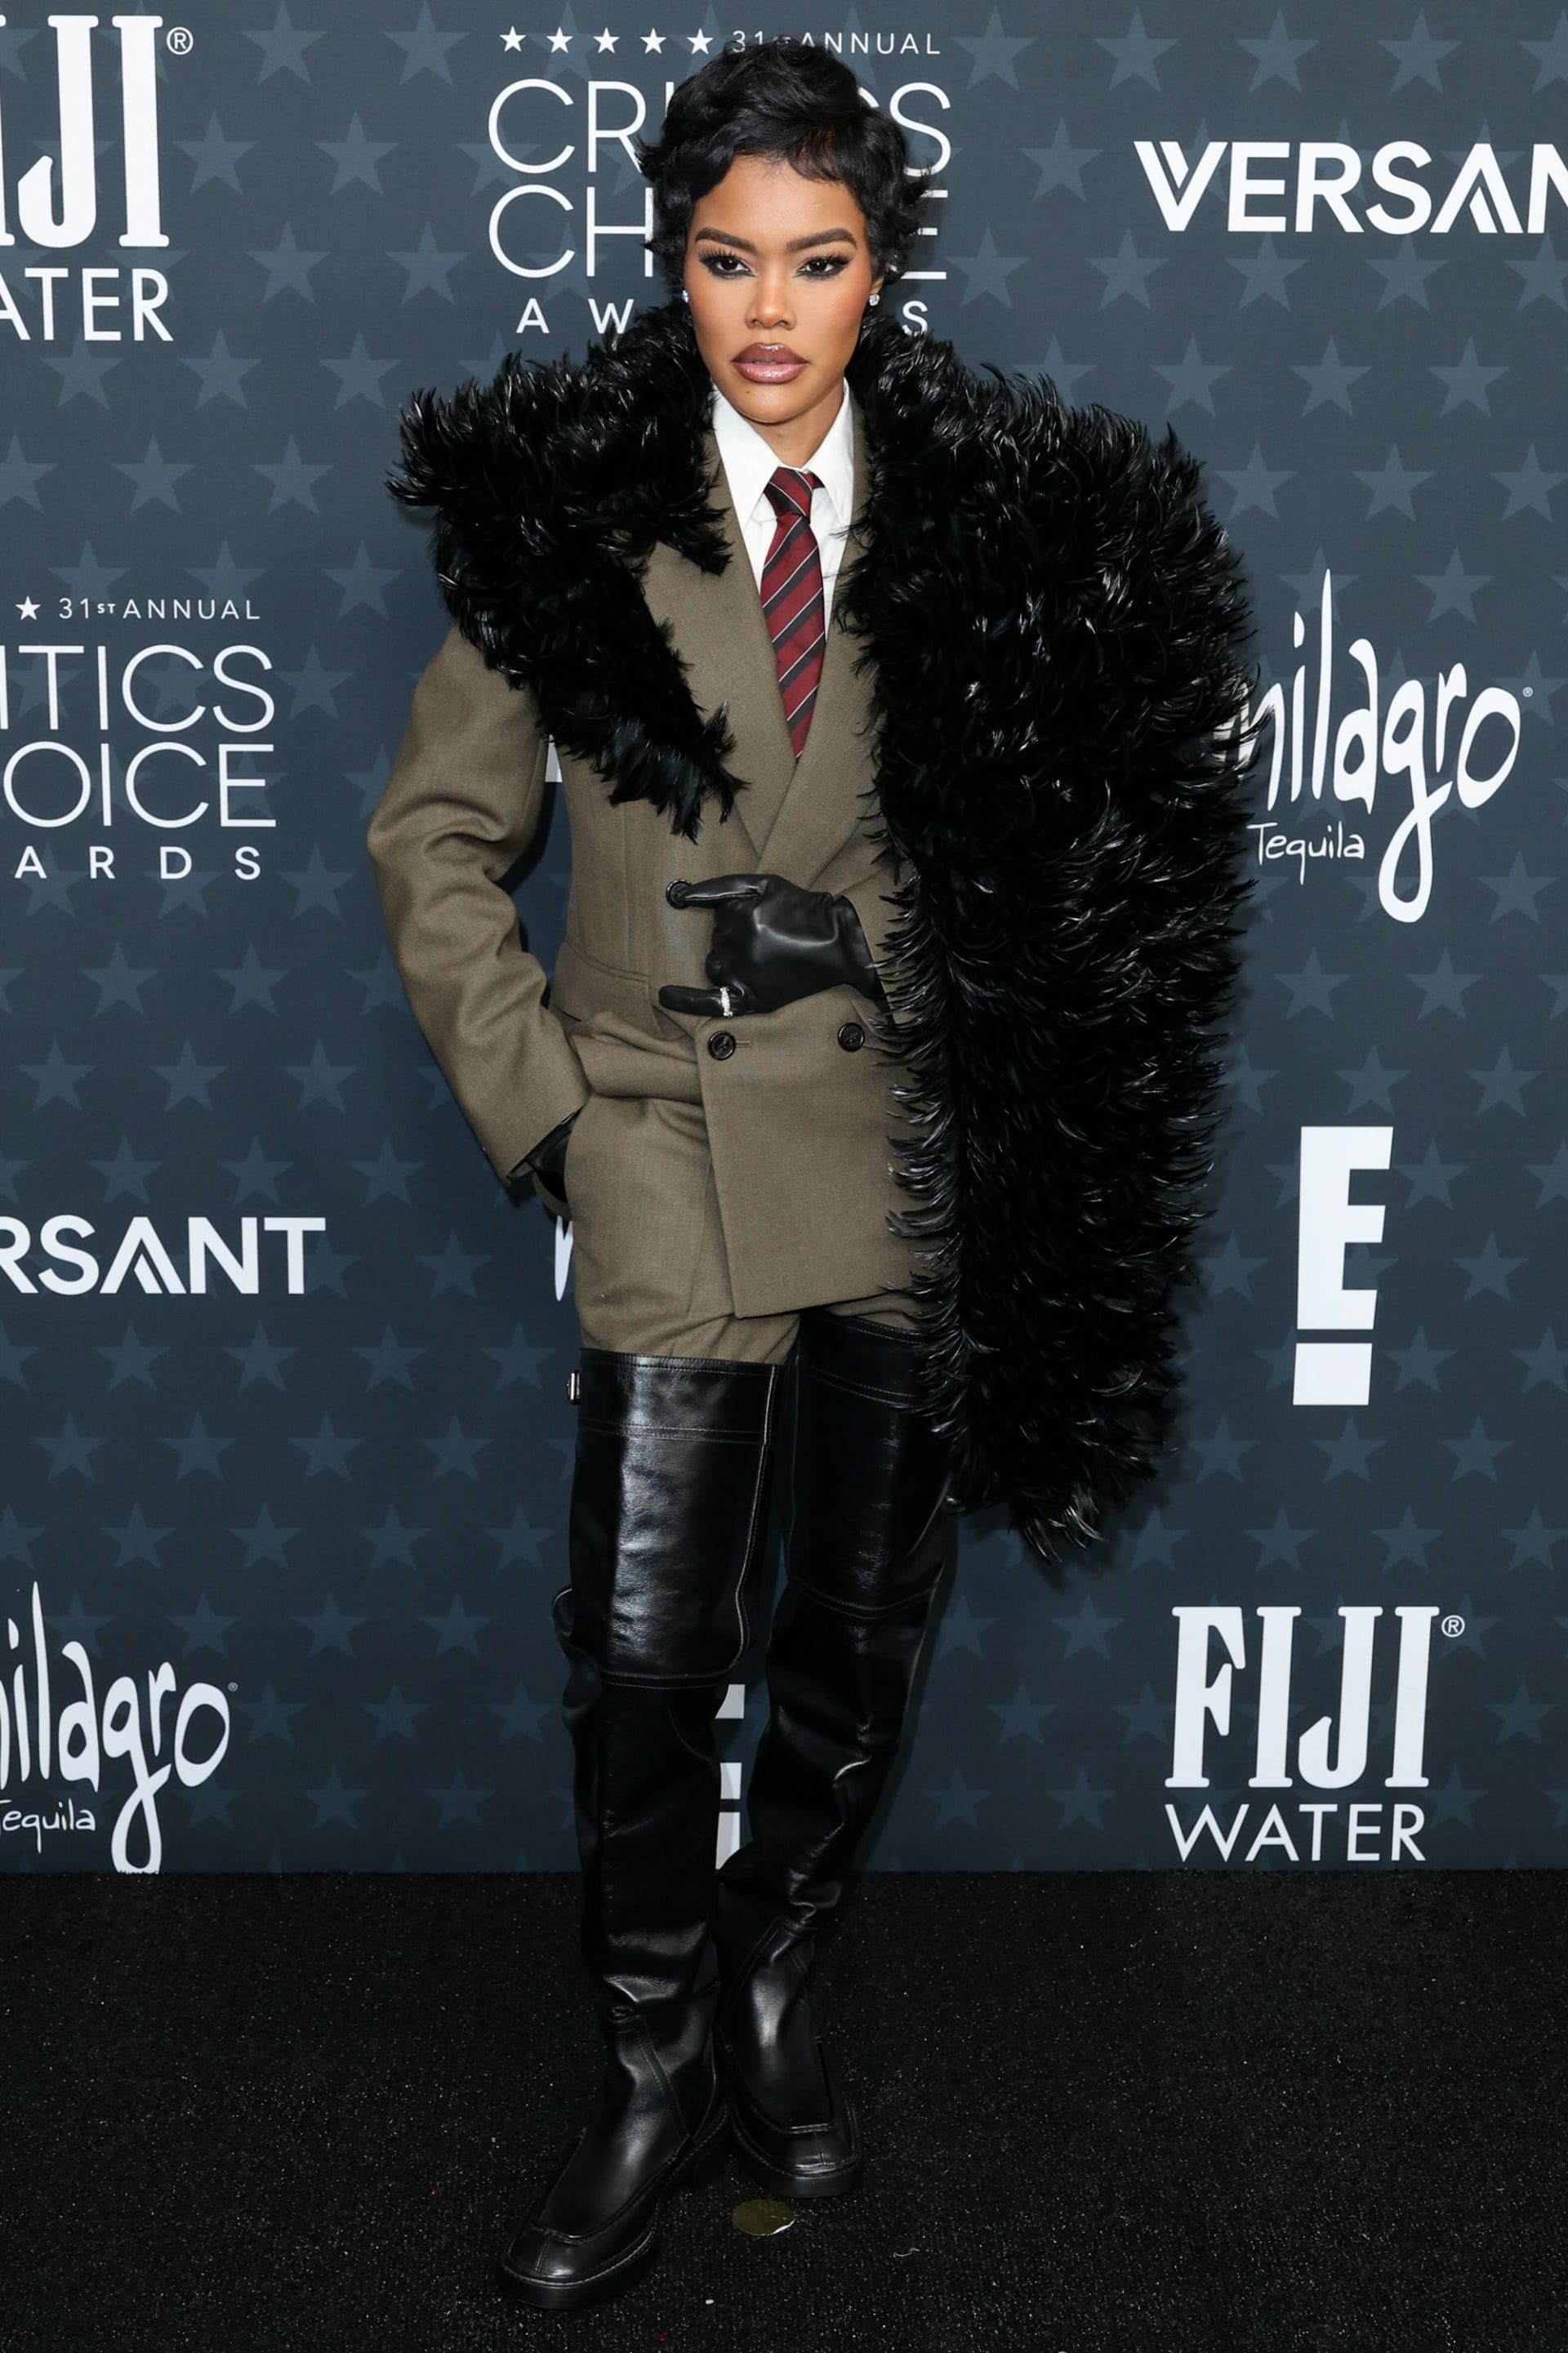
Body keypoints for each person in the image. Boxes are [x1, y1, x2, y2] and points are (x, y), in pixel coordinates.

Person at [369, 38, 1258, 2315]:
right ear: (672, 266)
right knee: (646, 1650)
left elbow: (1096, 869)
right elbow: (437, 840)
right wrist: (553, 1117)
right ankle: (652, 2059)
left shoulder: (1001, 526)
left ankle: (775, 1970)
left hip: (904, 1149)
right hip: (656, 1127)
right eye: (726, 259)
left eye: (819, 261)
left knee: (856, 1628)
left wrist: (1004, 1044)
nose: (770, 312)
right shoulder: (568, 517)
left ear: (885, 272)